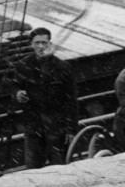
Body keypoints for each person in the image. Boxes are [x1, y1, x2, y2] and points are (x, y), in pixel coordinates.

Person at [11, 27, 78, 168]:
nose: (40, 46)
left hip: (56, 127)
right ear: (31, 44)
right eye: (37, 43)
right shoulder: (23, 65)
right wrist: (18, 93)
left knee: (59, 167)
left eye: (44, 43)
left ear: (50, 44)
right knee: (33, 167)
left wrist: (71, 129)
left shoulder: (63, 67)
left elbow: (71, 99)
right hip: (33, 126)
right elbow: (14, 86)